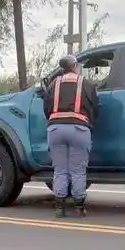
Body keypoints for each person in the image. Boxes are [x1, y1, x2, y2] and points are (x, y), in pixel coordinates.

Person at [42, 54, 99, 218]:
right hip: (79, 129)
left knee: (60, 169)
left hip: (55, 129)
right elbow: (95, 107)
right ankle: (79, 207)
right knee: (78, 170)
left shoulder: (54, 84)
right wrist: (90, 123)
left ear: (62, 69)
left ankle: (59, 208)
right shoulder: (86, 84)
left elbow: (46, 108)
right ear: (75, 66)